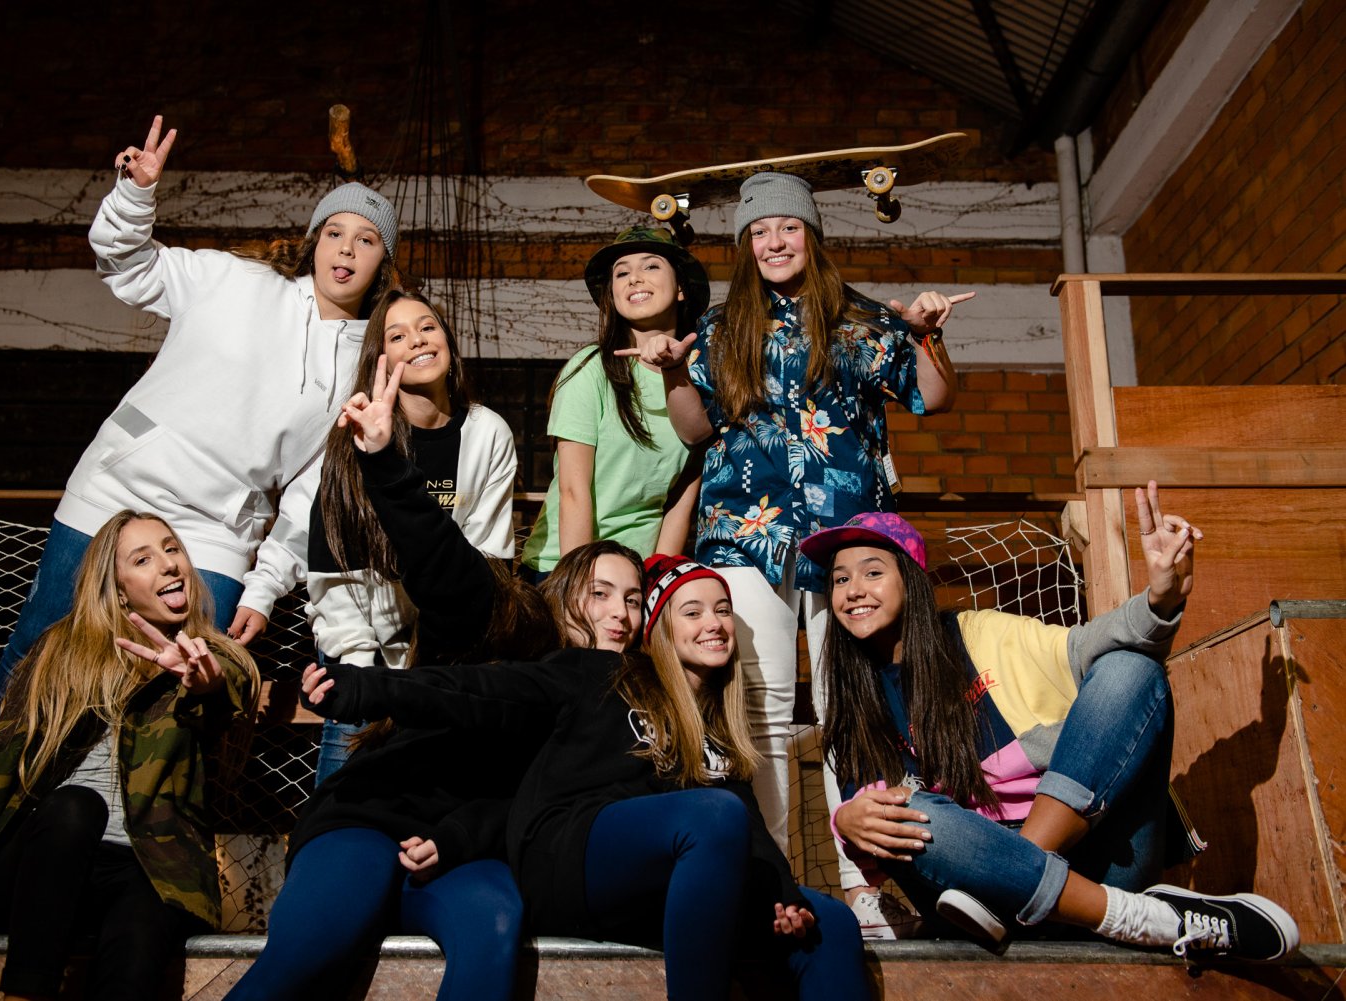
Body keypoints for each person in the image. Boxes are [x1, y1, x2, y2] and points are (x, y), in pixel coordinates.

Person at [0, 114, 400, 890]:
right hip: (119, 489)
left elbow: (310, 488)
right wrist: (136, 195)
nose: (346, 249)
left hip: (216, 529)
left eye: (366, 240)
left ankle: (140, 854)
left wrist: (264, 585)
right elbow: (128, 265)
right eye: (335, 232)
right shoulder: (234, 282)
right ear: (313, 241)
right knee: (40, 653)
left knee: (184, 684)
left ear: (382, 260)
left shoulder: (362, 363)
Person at [625, 170, 971, 931]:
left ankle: (864, 884)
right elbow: (695, 428)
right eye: (759, 231)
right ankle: (775, 883)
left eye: (787, 227)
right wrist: (675, 371)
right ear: (745, 245)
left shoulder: (861, 317)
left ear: (811, 235)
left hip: (846, 536)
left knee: (852, 703)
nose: (774, 241)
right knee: (763, 709)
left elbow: (933, 397)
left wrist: (928, 332)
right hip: (744, 532)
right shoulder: (719, 327)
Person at [300, 553, 869, 1001]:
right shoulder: (591, 673)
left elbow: (744, 817)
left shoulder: (710, 723)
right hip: (565, 853)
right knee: (711, 815)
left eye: (722, 611)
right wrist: (366, 688)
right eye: (692, 612)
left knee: (832, 921)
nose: (714, 624)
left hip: (646, 875)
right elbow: (477, 691)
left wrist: (781, 892)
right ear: (662, 628)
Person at [225, 358, 600, 1001]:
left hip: (460, 851)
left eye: (632, 599)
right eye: (600, 592)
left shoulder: (608, 700)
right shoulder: (506, 622)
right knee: (314, 947)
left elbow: (538, 807)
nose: (616, 612)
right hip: (374, 815)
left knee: (496, 922)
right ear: (563, 593)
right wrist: (382, 461)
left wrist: (459, 837)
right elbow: (440, 556)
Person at [807, 484, 1300, 962]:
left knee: (1130, 670)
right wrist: (846, 822)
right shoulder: (854, 711)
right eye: (840, 580)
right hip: (969, 886)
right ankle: (1138, 918)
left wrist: (1160, 599)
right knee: (911, 815)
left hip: (1074, 865)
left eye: (872, 572)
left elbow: (1088, 646)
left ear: (911, 581)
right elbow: (886, 839)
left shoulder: (978, 635)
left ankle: (1014, 884)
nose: (854, 591)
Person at [0, 511, 261, 1001]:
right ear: (117, 589)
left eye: (171, 549)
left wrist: (202, 683)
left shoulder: (218, 660)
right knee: (76, 807)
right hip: (39, 863)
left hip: (147, 868)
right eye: (143, 559)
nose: (169, 564)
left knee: (143, 927)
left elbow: (224, 700)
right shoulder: (61, 652)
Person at [248, 291, 516, 783]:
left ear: (448, 340)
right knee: (346, 788)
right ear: (380, 358)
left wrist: (439, 666)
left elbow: (485, 559)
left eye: (428, 327)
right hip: (360, 642)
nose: (417, 340)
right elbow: (334, 562)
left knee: (429, 796)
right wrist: (361, 672)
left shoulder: (487, 433)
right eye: (398, 335)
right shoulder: (354, 434)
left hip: (446, 651)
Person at [520, 227, 705, 581]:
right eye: (622, 273)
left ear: (681, 287)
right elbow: (573, 492)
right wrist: (580, 586)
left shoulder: (700, 380)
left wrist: (657, 584)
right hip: (566, 567)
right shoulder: (590, 369)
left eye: (651, 266)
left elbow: (679, 505)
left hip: (637, 574)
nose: (634, 278)